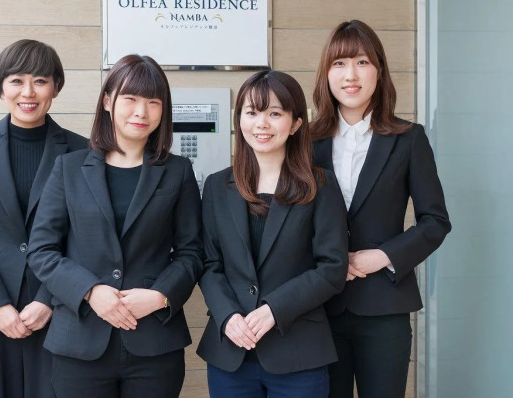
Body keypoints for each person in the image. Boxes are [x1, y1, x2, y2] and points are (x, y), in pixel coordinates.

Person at [27, 54, 203, 398]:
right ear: (108, 101)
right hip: (80, 341)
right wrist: (90, 291)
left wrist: (160, 296)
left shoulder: (178, 171)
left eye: (153, 102)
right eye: (131, 99)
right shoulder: (69, 168)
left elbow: (192, 252)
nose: (141, 112)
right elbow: (42, 250)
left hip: (154, 341)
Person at [311, 20, 452, 398]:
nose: (351, 75)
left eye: (362, 62)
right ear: (326, 74)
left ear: (379, 70)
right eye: (339, 64)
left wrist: (383, 256)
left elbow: (436, 221)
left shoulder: (408, 139)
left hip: (385, 306)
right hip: (318, 308)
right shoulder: (306, 141)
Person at [0, 39, 88, 398]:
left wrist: (48, 299)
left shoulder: (81, 150)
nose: (28, 92)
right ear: (1, 87)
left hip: (55, 312)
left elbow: (84, 235)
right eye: (16, 81)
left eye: (40, 81)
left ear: (56, 86)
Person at [197, 70, 348, 398]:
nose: (261, 124)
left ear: (295, 124)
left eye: (275, 114)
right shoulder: (217, 186)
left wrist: (274, 310)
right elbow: (209, 264)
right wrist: (227, 316)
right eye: (251, 113)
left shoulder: (320, 185)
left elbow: (332, 268)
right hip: (231, 353)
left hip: (299, 352)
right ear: (239, 120)